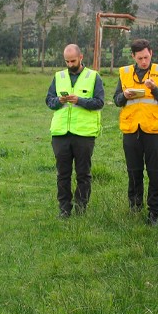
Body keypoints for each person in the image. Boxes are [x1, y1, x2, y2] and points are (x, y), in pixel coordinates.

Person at [114, 38, 158, 225]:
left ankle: (154, 213)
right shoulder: (124, 73)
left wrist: (155, 89)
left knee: (155, 173)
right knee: (134, 171)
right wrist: (124, 95)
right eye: (139, 58)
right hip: (132, 130)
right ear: (133, 56)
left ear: (151, 54)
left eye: (146, 57)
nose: (143, 61)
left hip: (155, 131)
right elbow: (116, 100)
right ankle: (135, 207)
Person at [46, 43, 104, 218]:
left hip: (84, 135)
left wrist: (79, 100)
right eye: (67, 61)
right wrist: (59, 101)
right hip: (60, 134)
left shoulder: (94, 77)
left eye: (73, 61)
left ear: (81, 57)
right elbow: (49, 101)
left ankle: (81, 208)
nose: (70, 64)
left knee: (83, 174)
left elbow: (99, 103)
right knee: (62, 174)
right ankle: (64, 209)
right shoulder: (59, 76)